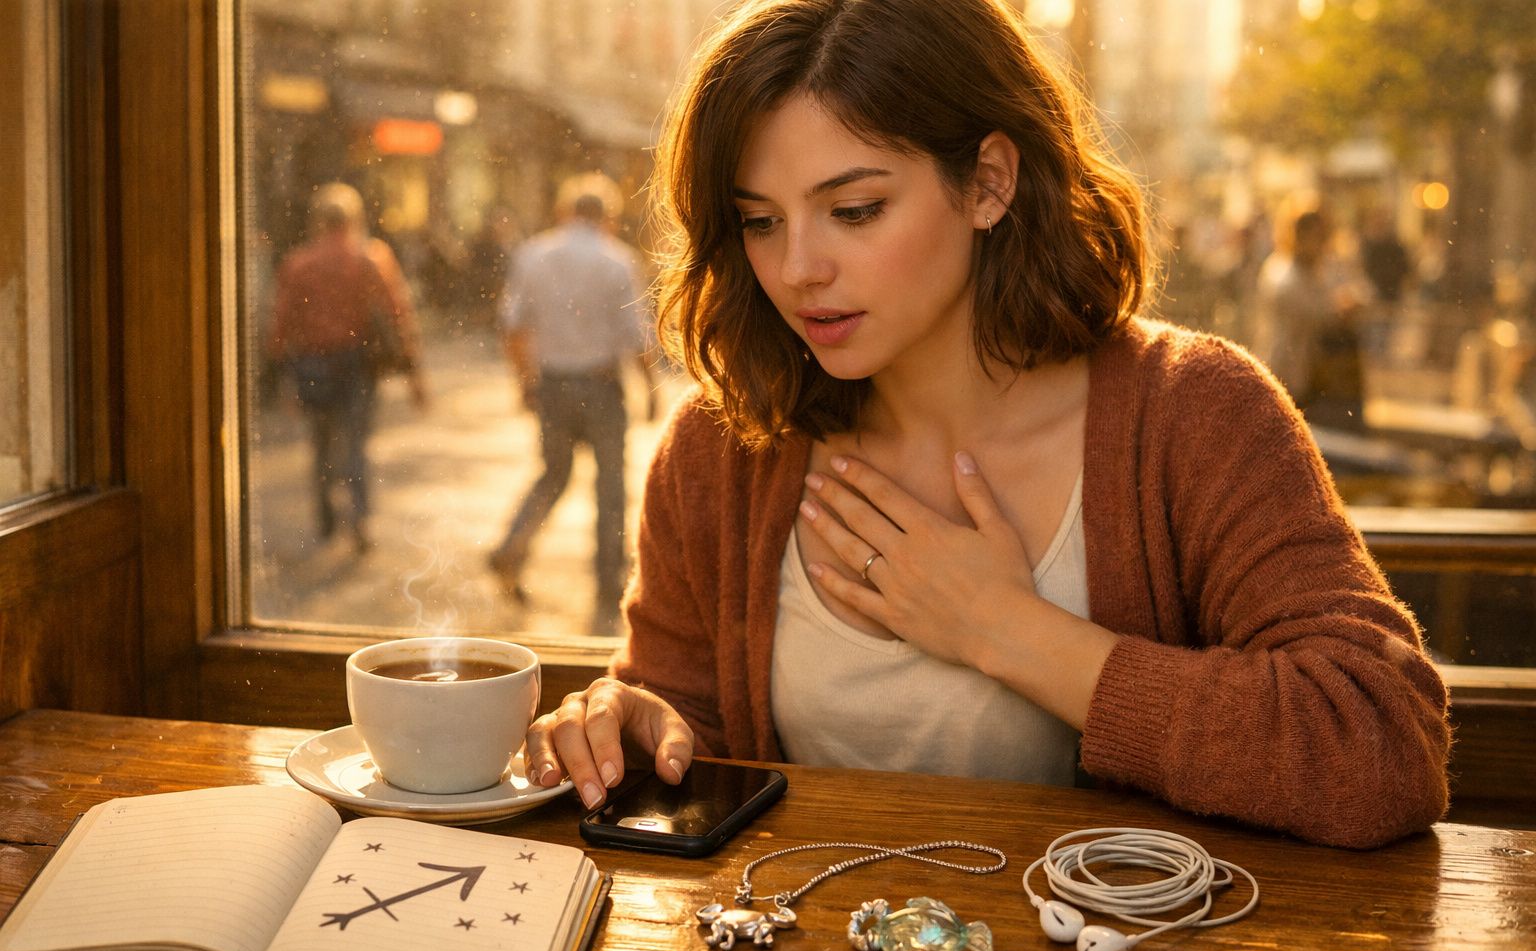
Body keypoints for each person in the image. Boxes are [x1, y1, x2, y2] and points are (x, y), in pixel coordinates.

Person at [523, 0, 1450, 850]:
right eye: (760, 221)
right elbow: (692, 729)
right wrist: (634, 726)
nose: (798, 267)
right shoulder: (725, 446)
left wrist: (1008, 631)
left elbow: (1382, 745)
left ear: (989, 183)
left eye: (855, 210)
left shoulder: (1192, 413)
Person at [487, 173, 657, 623]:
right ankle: (608, 583)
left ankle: (513, 544)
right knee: (609, 486)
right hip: (601, 386)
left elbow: (513, 324)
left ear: (565, 211)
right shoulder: (617, 260)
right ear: (609, 217)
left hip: (554, 383)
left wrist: (525, 380)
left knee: (553, 474)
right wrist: (651, 389)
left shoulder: (534, 254)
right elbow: (637, 335)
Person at [267, 183, 426, 554]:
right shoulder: (371, 258)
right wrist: (415, 375)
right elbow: (398, 314)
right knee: (356, 441)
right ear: (355, 219)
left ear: (318, 221)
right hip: (356, 364)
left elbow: (281, 322)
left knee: (321, 442)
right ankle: (359, 516)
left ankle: (325, 516)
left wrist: (280, 375)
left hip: (311, 363)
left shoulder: (298, 264)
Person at [1252, 205, 1368, 427]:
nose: (1321, 244)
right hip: (1286, 372)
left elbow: (1358, 290)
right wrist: (1339, 308)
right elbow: (1314, 310)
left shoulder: (1318, 268)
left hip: (1311, 376)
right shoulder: (1282, 272)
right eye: (1316, 236)